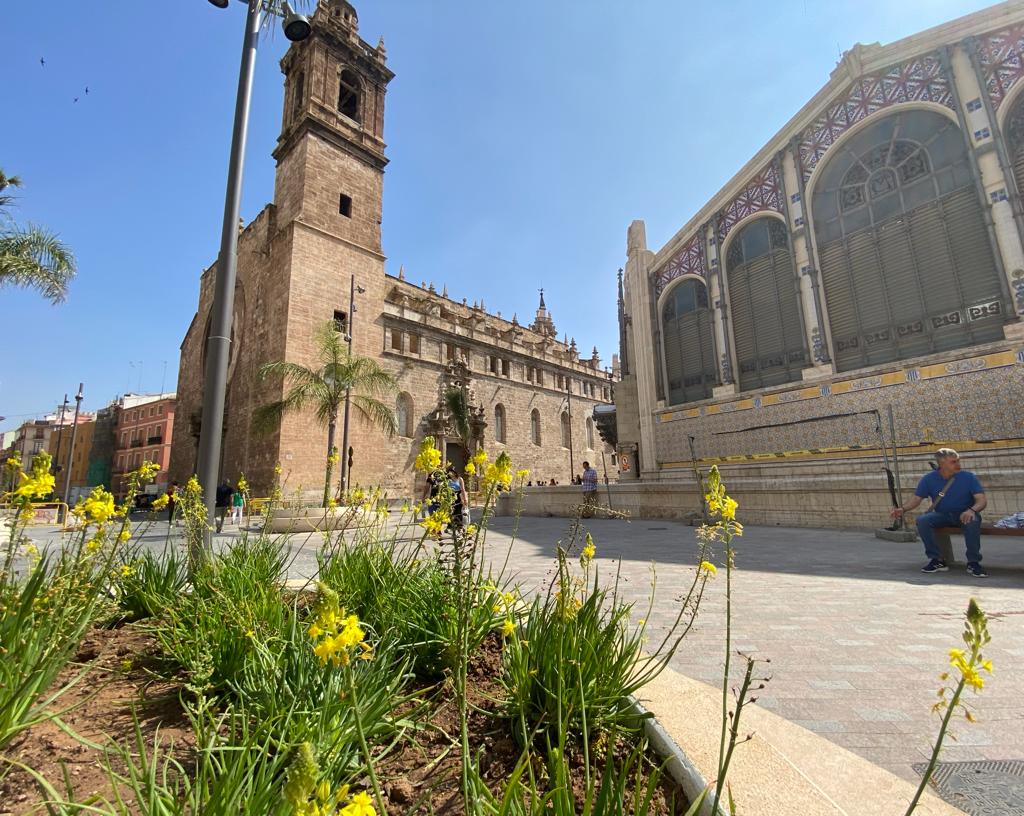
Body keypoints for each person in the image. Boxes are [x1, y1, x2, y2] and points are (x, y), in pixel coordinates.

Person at [890, 448, 988, 577]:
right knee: (923, 520)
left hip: (965, 514)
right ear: (942, 464)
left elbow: (981, 500)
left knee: (972, 521)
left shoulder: (968, 477)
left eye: (958, 461)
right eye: (953, 462)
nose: (958, 464)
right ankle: (937, 560)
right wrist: (902, 509)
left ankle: (973, 562)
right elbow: (916, 499)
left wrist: (971, 510)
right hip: (943, 515)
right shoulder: (928, 479)